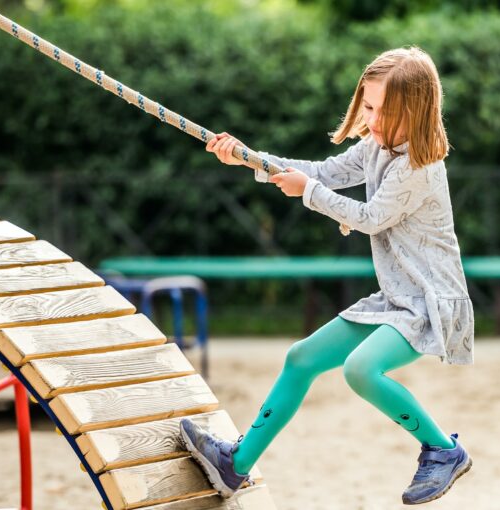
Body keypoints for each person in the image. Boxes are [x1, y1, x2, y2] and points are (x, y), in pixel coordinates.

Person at [180, 46, 474, 506]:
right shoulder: (377, 148)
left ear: (415, 111)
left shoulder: (418, 166)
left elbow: (371, 216)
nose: (373, 120)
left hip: (428, 301)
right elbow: (323, 172)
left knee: (361, 369)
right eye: (369, 106)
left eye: (385, 111)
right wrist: (251, 159)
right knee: (301, 359)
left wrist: (309, 193)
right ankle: (234, 465)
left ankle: (444, 451)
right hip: (396, 298)